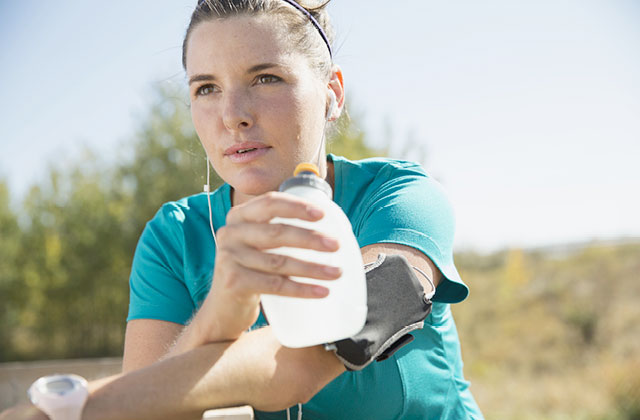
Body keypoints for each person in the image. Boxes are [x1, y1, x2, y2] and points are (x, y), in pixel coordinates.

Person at [1, 0, 483, 419]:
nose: (233, 115)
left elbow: (317, 352)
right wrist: (221, 310)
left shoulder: (399, 196)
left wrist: (75, 408)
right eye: (205, 88)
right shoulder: (174, 236)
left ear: (332, 94)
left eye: (266, 77)